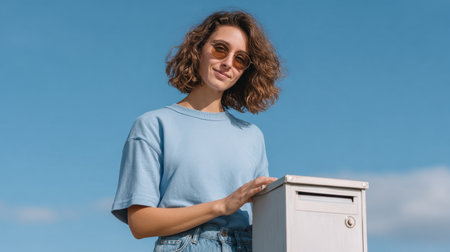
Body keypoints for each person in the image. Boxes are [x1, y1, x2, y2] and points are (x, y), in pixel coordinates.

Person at [111, 10, 283, 251]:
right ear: (199, 48)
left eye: (240, 59)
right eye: (220, 49)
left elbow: (265, 220)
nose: (228, 63)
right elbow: (140, 223)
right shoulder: (154, 124)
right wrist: (222, 206)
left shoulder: (252, 135)